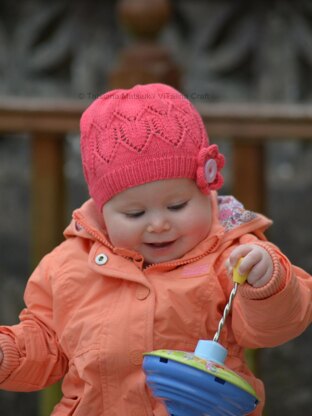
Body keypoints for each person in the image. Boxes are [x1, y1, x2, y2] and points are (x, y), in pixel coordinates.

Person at [0, 83, 311, 416]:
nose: (159, 224)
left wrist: (267, 284)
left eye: (177, 206)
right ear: (101, 211)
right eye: (135, 214)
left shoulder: (230, 254)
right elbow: (46, 343)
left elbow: (276, 326)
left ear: (205, 192)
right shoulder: (68, 265)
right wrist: (8, 354)